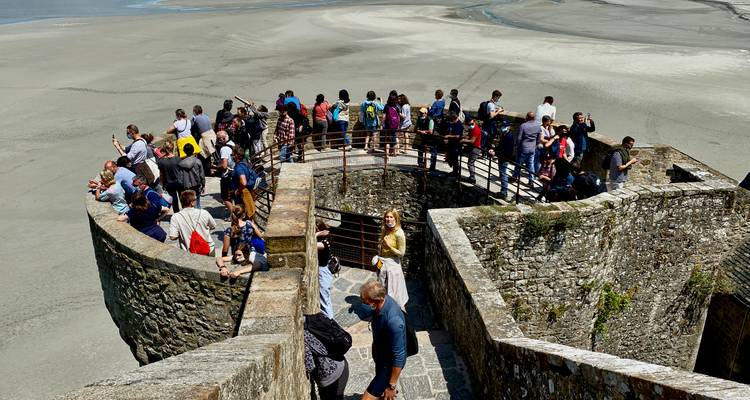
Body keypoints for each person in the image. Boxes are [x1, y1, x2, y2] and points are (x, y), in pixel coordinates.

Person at [359, 280, 407, 400]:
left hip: (388, 365)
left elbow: (399, 356)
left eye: (365, 302)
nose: (363, 304)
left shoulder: (394, 321)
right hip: (381, 356)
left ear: (375, 301)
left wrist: (392, 386)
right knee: (383, 394)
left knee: (366, 398)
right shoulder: (382, 301)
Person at [304, 316, 350, 400]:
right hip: (342, 365)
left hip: (330, 378)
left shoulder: (303, 337)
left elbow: (310, 365)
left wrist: (317, 377)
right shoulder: (311, 320)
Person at [376, 209, 409, 310]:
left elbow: (401, 253)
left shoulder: (399, 233)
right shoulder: (384, 229)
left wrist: (389, 246)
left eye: (391, 217)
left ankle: (393, 310)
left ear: (396, 218)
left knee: (393, 290)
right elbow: (382, 245)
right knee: (382, 287)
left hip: (392, 266)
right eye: (387, 217)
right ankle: (383, 308)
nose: (388, 219)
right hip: (382, 262)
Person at [168, 190, 217, 255]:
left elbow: (173, 237)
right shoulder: (204, 212)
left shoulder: (176, 217)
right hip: (208, 248)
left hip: (190, 252)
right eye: (195, 199)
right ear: (192, 202)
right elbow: (213, 226)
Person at [488, 120, 514, 199]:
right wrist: (494, 150)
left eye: (504, 126)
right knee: (502, 174)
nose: (502, 128)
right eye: (502, 126)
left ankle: (504, 192)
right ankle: (503, 191)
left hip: (505, 158)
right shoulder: (504, 135)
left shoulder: (509, 137)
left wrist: (496, 153)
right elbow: (500, 146)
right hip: (502, 157)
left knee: (503, 174)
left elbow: (507, 150)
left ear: (508, 127)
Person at [231, 146, 258, 220]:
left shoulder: (239, 167)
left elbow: (243, 182)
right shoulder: (244, 164)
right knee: (248, 215)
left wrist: (238, 191)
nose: (231, 157)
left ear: (237, 155)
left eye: (232, 155)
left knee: (242, 216)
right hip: (246, 192)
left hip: (241, 195)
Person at [513, 112, 541, 183]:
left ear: (527, 117)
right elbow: (538, 138)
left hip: (523, 148)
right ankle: (531, 180)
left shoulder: (523, 126)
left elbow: (519, 138)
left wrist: (516, 146)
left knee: (518, 164)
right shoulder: (538, 126)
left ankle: (515, 177)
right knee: (531, 165)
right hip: (532, 149)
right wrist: (535, 145)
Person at [316, 219, 335, 319]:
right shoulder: (325, 239)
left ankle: (331, 322)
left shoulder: (323, 243)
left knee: (324, 299)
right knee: (325, 298)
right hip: (325, 270)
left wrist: (316, 235)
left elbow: (310, 245)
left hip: (323, 272)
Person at [177, 143, 205, 209]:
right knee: (197, 202)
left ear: (184, 151)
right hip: (196, 184)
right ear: (193, 150)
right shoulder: (198, 161)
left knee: (188, 203)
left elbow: (180, 177)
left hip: (186, 186)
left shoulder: (181, 163)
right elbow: (202, 175)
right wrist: (203, 184)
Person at [157, 141, 182, 213]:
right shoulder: (178, 159)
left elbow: (161, 174)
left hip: (168, 183)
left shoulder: (161, 161)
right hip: (179, 182)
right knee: (182, 198)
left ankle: (177, 213)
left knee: (174, 201)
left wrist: (161, 183)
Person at [215, 131, 235, 215]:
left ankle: (234, 215)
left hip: (227, 175)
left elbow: (224, 166)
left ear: (222, 139)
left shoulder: (224, 149)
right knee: (232, 197)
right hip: (234, 173)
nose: (217, 141)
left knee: (225, 197)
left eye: (218, 139)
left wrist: (215, 167)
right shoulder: (232, 144)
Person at [191, 105, 217, 171]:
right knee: (212, 153)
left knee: (204, 154)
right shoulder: (206, 116)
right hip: (212, 135)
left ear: (194, 112)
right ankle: (211, 168)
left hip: (206, 137)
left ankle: (207, 170)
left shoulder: (195, 118)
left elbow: (191, 126)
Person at [461, 117, 482, 184]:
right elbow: (469, 136)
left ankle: (472, 178)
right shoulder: (472, 128)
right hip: (473, 148)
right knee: (470, 163)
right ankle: (472, 177)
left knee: (470, 163)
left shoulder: (475, 129)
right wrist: (465, 138)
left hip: (475, 149)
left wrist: (464, 140)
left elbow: (472, 141)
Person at [442, 111, 464, 177]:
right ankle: (454, 171)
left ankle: (455, 173)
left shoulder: (458, 125)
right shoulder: (454, 123)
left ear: (453, 118)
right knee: (451, 158)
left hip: (456, 145)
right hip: (452, 144)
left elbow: (457, 136)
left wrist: (448, 136)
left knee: (455, 159)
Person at [382, 94, 401, 159]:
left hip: (387, 126)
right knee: (394, 139)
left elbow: (384, 116)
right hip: (394, 126)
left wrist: (382, 124)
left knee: (387, 140)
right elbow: (398, 117)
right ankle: (394, 153)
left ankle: (387, 155)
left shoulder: (386, 106)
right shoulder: (397, 107)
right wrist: (398, 125)